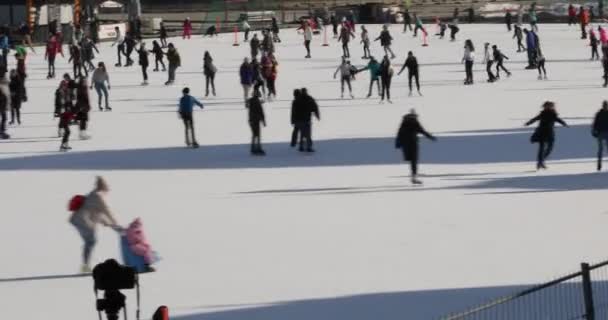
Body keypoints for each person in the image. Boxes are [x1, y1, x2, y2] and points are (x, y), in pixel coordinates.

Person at [69, 176, 120, 272]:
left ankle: (85, 265)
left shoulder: (93, 195)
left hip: (77, 220)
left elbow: (98, 214)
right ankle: (85, 266)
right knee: (90, 241)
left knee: (90, 241)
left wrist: (110, 225)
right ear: (103, 187)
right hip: (81, 221)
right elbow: (106, 211)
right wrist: (116, 226)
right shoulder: (97, 196)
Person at [395, 109, 436, 185]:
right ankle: (414, 177)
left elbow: (399, 133)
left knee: (410, 160)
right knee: (414, 160)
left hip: (405, 144)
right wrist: (431, 137)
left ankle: (413, 177)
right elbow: (422, 131)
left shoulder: (404, 122)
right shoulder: (415, 122)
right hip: (413, 143)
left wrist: (397, 143)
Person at [525, 101, 568, 170]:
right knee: (542, 148)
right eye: (546, 106)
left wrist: (564, 123)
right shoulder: (543, 113)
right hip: (541, 132)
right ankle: (540, 162)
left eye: (550, 106)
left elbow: (558, 119)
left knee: (549, 148)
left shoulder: (553, 114)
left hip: (549, 133)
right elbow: (535, 119)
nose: (548, 107)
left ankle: (541, 161)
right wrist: (528, 123)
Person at [292, 88, 320, 152]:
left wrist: (293, 120)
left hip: (299, 119)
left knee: (302, 133)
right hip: (306, 119)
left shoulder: (297, 99)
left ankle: (301, 146)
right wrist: (317, 115)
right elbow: (314, 107)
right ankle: (308, 147)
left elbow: (293, 111)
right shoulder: (309, 98)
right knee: (308, 134)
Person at [246, 90, 266, 155]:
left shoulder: (251, 101)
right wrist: (263, 121)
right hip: (256, 120)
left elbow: (248, 103)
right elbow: (261, 112)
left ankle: (253, 148)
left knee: (254, 135)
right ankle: (258, 148)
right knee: (257, 135)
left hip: (251, 120)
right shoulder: (257, 102)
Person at [593, 101, 608, 171]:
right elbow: (595, 123)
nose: (605, 107)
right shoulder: (599, 114)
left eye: (606, 105)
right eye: (604, 105)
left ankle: (599, 164)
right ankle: (599, 164)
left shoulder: (599, 114)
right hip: (600, 133)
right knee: (600, 149)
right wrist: (594, 131)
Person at [0, 75, 9, 139]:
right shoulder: (1, 88)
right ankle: (2, 131)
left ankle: (2, 131)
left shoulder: (4, 88)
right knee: (4, 118)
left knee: (4, 118)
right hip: (1, 106)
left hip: (3, 106)